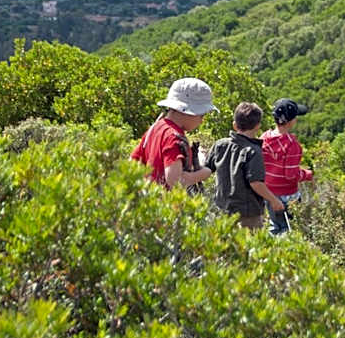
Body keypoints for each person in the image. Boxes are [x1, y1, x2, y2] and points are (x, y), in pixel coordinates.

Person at [207, 102, 285, 230]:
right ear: (258, 126)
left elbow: (205, 170)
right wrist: (274, 200)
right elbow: (256, 183)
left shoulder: (220, 145)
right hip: (247, 215)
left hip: (222, 211)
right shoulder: (254, 151)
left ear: (234, 125)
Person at [131, 78, 216, 189]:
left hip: (148, 200)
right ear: (187, 111)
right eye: (201, 115)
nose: (201, 120)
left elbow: (132, 164)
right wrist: (204, 173)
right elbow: (175, 181)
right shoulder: (173, 138)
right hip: (164, 204)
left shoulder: (155, 128)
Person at [261, 98, 313, 235]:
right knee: (288, 230)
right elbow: (290, 175)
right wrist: (306, 174)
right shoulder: (292, 145)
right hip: (287, 195)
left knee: (274, 226)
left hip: (268, 193)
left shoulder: (264, 138)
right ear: (291, 121)